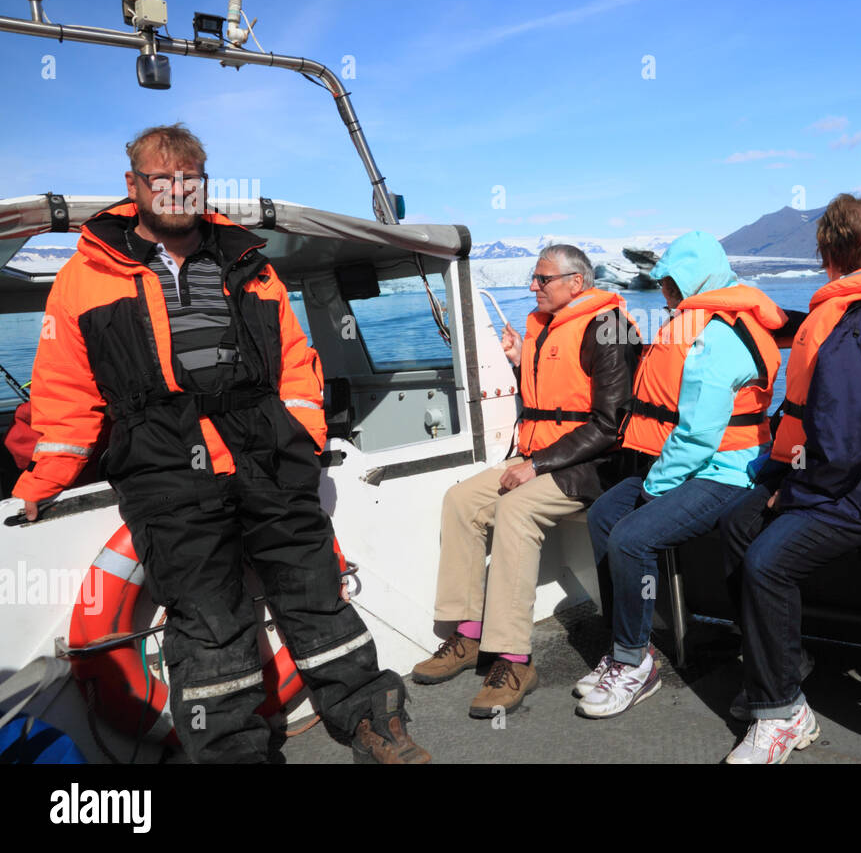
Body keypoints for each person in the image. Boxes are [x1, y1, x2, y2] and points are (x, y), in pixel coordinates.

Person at [13, 124, 428, 763]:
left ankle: (373, 722)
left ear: (202, 184)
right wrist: (43, 480)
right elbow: (65, 391)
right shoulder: (85, 277)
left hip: (264, 449)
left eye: (189, 179)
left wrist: (304, 437)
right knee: (208, 621)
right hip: (161, 461)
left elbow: (295, 360)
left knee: (315, 591)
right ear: (134, 186)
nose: (175, 191)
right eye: (161, 179)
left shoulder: (248, 263)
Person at [717, 194, 861, 764]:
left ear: (829, 251)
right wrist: (776, 480)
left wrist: (791, 493)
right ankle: (783, 666)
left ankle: (784, 712)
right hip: (825, 472)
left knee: (768, 561)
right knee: (739, 521)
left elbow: (846, 441)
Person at [418, 246, 639, 717]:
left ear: (576, 283)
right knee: (460, 500)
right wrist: (521, 360)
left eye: (542, 279)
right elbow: (559, 390)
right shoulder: (544, 325)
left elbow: (609, 423)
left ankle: (515, 660)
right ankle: (469, 633)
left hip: (594, 465)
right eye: (533, 279)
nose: (533, 287)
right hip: (539, 454)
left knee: (515, 509)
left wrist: (535, 467)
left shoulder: (611, 326)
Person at [573, 230, 786, 719]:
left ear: (696, 281)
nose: (665, 294)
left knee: (630, 538)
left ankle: (634, 666)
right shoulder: (697, 323)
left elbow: (699, 436)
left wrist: (654, 488)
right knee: (604, 514)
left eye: (672, 284)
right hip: (689, 464)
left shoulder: (716, 337)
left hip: (730, 471)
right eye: (663, 284)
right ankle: (630, 644)